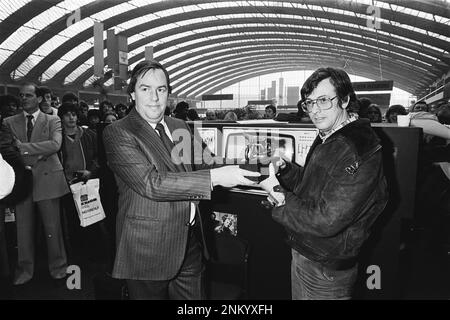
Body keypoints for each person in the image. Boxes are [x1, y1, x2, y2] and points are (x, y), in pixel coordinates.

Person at [102, 59, 259, 300]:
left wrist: (261, 167)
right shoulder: (120, 131)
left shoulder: (178, 126)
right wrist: (215, 178)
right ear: (132, 94)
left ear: (168, 93)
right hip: (147, 248)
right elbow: (150, 183)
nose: (154, 97)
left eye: (161, 89)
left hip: (189, 241)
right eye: (145, 89)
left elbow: (208, 161)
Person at [259, 67, 388, 300]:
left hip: (326, 267)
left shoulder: (357, 148)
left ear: (346, 99)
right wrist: (285, 169)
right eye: (309, 103)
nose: (315, 111)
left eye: (324, 100)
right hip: (308, 251)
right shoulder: (331, 135)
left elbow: (327, 220)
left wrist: (277, 194)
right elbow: (311, 186)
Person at [3, 82, 69, 286]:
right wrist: (37, 152)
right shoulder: (8, 122)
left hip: (48, 179)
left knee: (53, 227)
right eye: (21, 95)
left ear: (39, 98)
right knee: (22, 229)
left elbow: (55, 145)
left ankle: (58, 267)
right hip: (21, 180)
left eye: (28, 95)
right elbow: (8, 150)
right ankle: (24, 270)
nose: (23, 99)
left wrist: (23, 148)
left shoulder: (53, 119)